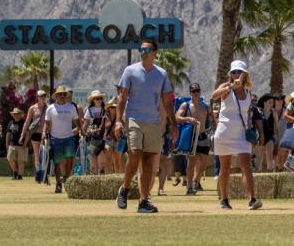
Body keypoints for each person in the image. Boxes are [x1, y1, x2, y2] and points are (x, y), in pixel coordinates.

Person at [114, 39, 177, 214]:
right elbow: (122, 98)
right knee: (134, 155)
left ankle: (143, 201)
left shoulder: (161, 74)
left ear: (155, 53)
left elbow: (167, 101)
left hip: (153, 121)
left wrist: (174, 124)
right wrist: (119, 121)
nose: (143, 52)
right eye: (141, 49)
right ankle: (125, 189)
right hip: (134, 118)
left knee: (149, 162)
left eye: (147, 49)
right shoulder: (130, 71)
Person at [211, 61, 263, 210]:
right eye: (233, 72)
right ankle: (224, 199)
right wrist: (231, 86)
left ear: (244, 74)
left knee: (246, 166)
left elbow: (247, 114)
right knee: (225, 167)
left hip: (241, 133)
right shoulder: (226, 88)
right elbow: (214, 96)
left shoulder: (248, 92)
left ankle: (252, 199)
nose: (235, 75)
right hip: (224, 132)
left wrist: (252, 130)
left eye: (239, 72)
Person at [44, 86, 79, 193]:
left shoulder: (71, 107)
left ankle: (66, 178)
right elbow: (47, 123)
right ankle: (58, 183)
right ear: (56, 96)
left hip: (69, 137)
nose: (62, 96)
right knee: (57, 162)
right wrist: (44, 135)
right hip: (56, 138)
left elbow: (77, 121)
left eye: (64, 94)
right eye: (60, 94)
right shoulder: (50, 108)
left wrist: (79, 130)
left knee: (70, 160)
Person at [176, 83, 210, 195]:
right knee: (191, 162)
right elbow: (177, 117)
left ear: (200, 92)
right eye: (193, 91)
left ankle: (196, 181)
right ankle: (189, 186)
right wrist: (187, 119)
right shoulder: (186, 105)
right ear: (190, 92)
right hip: (192, 137)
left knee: (204, 162)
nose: (196, 93)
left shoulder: (205, 106)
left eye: (197, 91)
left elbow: (211, 118)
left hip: (203, 135)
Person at [20, 90, 48, 183]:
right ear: (37, 97)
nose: (42, 97)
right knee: (37, 154)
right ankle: (38, 174)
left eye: (44, 96)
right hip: (35, 134)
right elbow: (27, 122)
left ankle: (43, 174)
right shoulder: (32, 108)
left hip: (45, 134)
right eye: (40, 96)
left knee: (44, 154)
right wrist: (22, 135)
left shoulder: (48, 108)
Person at [83, 90, 107, 176]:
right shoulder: (89, 110)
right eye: (97, 98)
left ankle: (101, 182)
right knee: (93, 163)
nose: (99, 100)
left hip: (102, 138)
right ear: (93, 100)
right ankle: (94, 182)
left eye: (100, 98)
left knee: (102, 163)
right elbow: (85, 125)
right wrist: (82, 134)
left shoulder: (105, 110)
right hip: (91, 139)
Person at [6, 107, 27, 180]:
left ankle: (20, 175)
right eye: (15, 114)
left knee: (21, 161)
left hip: (21, 145)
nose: (16, 115)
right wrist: (7, 144)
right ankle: (15, 172)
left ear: (20, 114)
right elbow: (8, 134)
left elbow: (27, 133)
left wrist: (25, 143)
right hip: (12, 144)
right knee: (9, 159)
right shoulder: (10, 122)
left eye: (17, 114)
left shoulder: (23, 122)